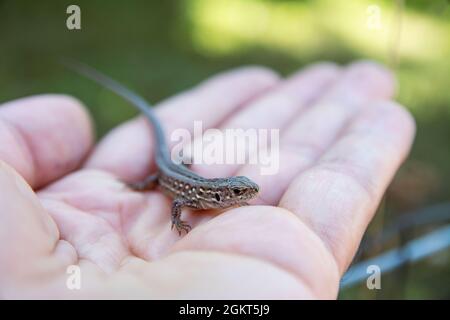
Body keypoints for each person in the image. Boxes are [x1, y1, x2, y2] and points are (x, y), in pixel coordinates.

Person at [0, 61, 415, 299]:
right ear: (223, 193)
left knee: (177, 170)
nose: (245, 195)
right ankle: (145, 179)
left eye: (241, 193)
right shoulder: (197, 196)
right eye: (238, 192)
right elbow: (179, 202)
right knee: (161, 177)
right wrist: (174, 221)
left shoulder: (214, 194)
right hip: (165, 175)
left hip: (179, 172)